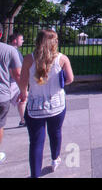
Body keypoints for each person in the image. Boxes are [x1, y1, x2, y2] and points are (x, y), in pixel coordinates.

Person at [18, 29, 74, 178]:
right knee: (55, 133)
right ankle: (55, 158)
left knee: (36, 142)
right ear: (55, 42)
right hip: (56, 104)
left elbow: (23, 82)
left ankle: (35, 174)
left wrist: (24, 94)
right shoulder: (62, 59)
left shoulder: (29, 59)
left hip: (35, 106)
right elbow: (70, 79)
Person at [0, 24, 22, 164]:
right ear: (1, 34)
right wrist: (24, 92)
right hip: (2, 94)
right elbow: (18, 74)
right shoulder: (8, 50)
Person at [8, 33, 26, 127]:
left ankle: (23, 120)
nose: (23, 41)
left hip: (12, 81)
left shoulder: (13, 51)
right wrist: (22, 84)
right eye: (21, 39)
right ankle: (23, 120)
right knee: (22, 98)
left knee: (22, 100)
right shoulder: (13, 52)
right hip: (13, 81)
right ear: (15, 40)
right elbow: (14, 70)